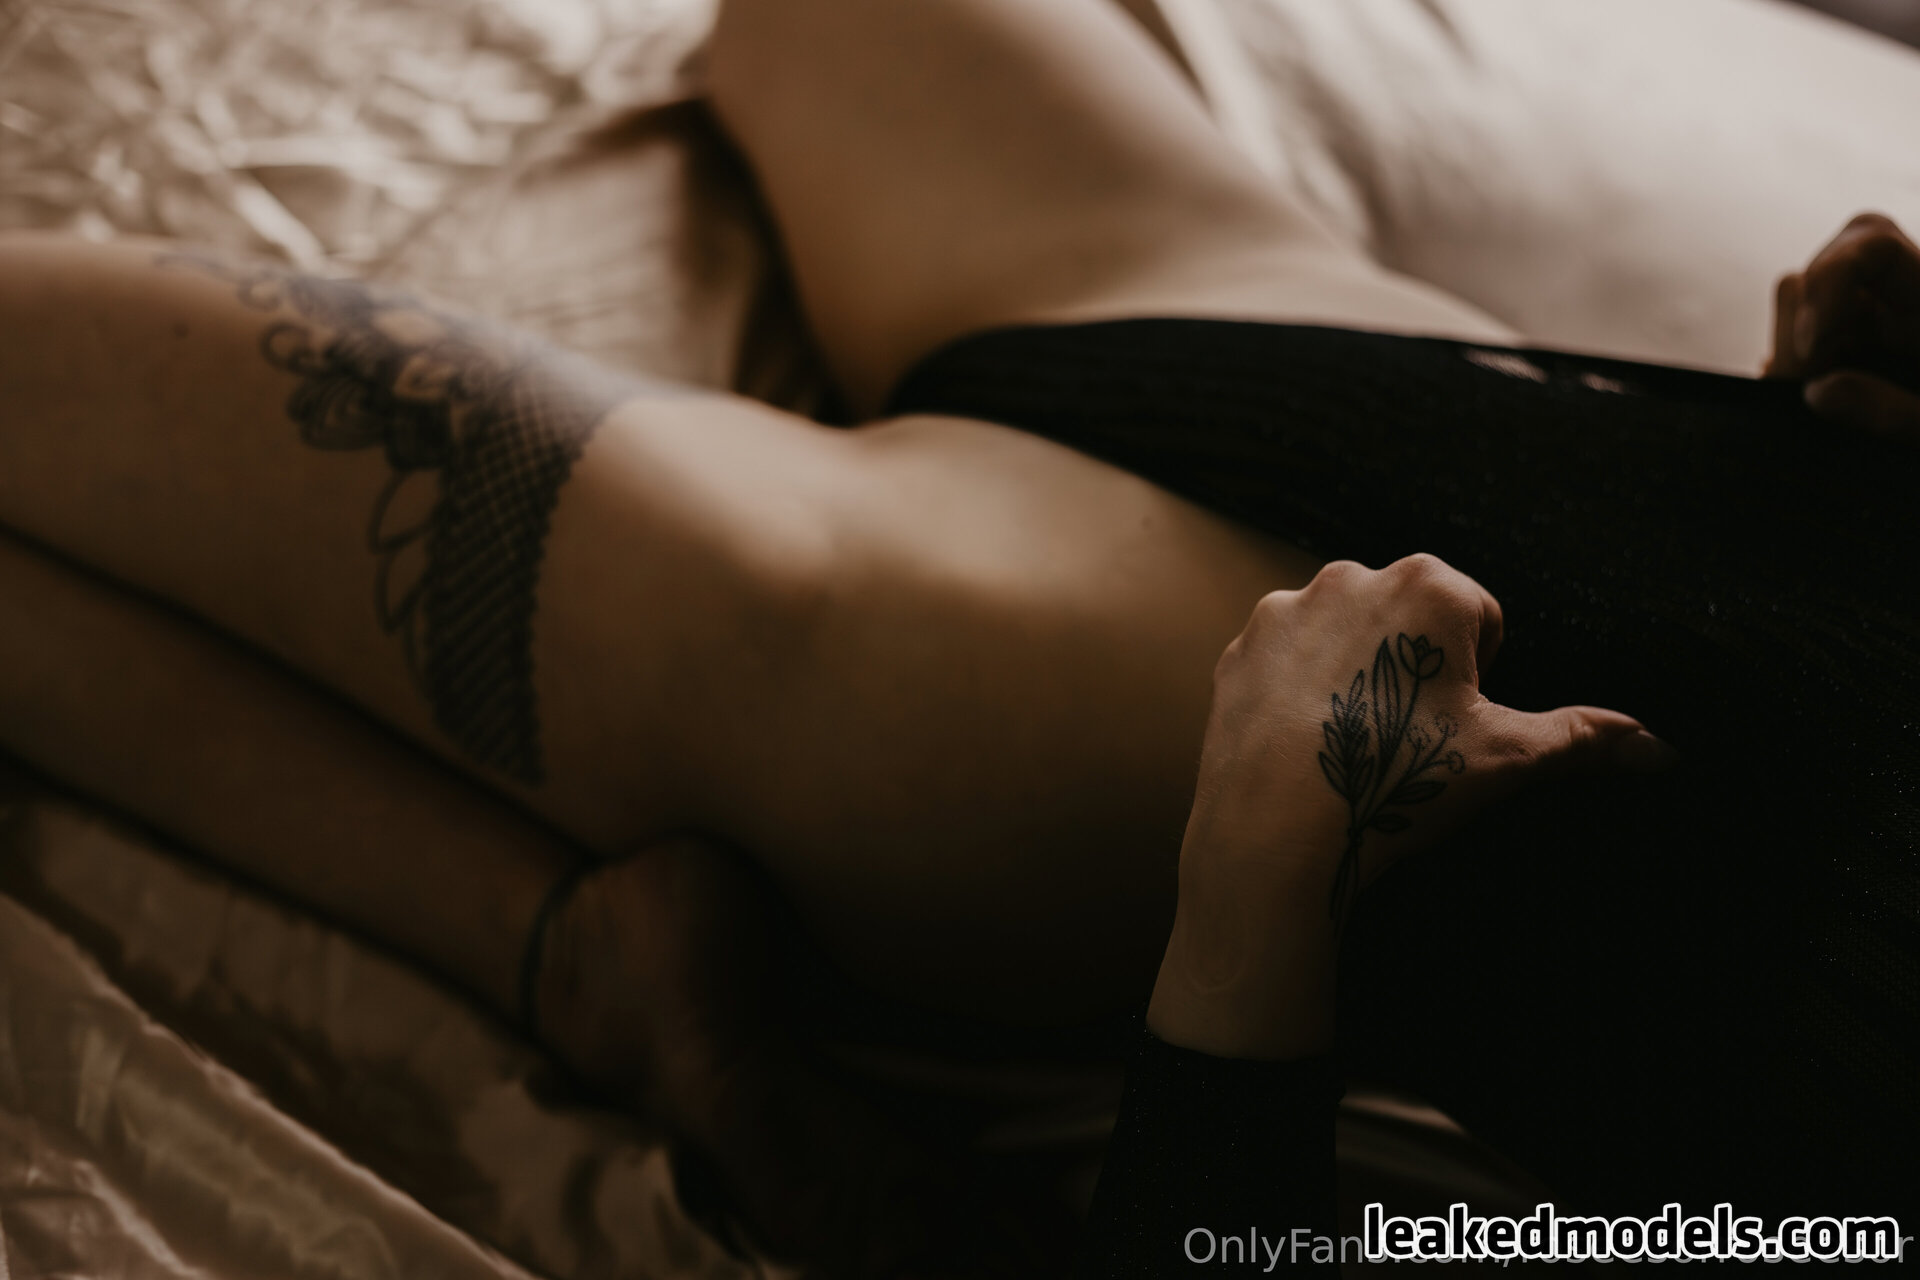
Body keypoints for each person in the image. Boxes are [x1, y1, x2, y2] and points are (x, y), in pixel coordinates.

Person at [0, 0, 1913, 1272]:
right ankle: (590, 953)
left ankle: (565, 949)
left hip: (1112, 695)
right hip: (1392, 382)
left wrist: (1259, 882)